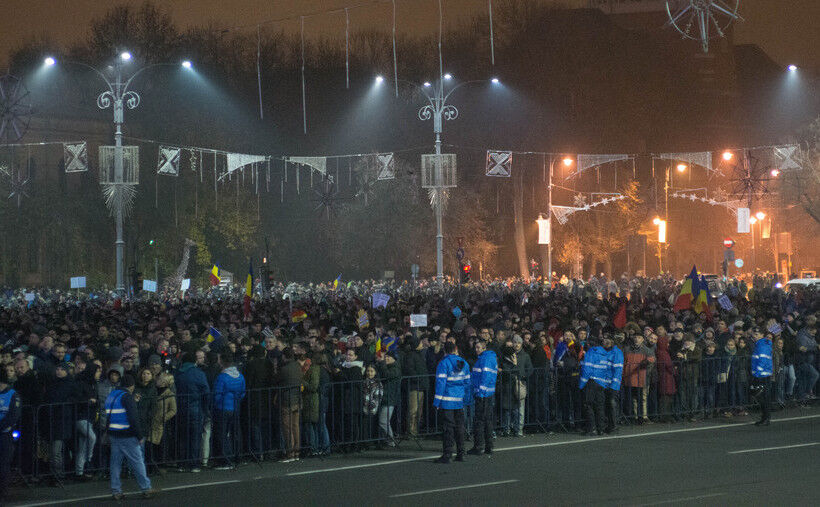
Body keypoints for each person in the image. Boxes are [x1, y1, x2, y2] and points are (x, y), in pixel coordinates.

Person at [104, 374, 154, 500]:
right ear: (131, 386)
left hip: (114, 434)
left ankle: (116, 491)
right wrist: (139, 435)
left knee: (115, 463)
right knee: (137, 462)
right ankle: (146, 488)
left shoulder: (111, 395)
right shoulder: (127, 397)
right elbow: (133, 418)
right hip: (128, 435)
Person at [433, 341, 471, 464]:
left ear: (444, 351)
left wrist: (437, 402)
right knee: (460, 427)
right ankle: (461, 453)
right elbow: (467, 383)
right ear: (455, 349)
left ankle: (447, 454)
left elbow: (441, 384)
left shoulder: (443, 363)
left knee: (448, 429)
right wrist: (466, 399)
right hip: (459, 401)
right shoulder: (463, 363)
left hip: (447, 402)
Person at [174, 353, 210, 472]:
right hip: (196, 408)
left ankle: (181, 463)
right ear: (194, 361)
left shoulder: (178, 373)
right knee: (194, 436)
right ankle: (194, 464)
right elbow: (206, 391)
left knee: (182, 436)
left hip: (180, 408)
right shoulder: (199, 374)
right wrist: (206, 409)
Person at [212, 351, 246, 469]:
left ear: (222, 362)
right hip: (235, 407)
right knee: (235, 433)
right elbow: (242, 392)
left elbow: (217, 394)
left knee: (222, 434)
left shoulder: (222, 377)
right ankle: (238, 457)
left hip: (223, 408)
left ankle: (226, 459)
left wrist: (215, 405)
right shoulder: (239, 376)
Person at [468, 338, 497, 456]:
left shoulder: (485, 359)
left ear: (484, 348)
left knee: (479, 421)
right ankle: (488, 446)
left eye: (478, 347)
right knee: (486, 421)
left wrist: (480, 392)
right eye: (475, 347)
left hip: (483, 395)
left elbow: (486, 377)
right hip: (486, 394)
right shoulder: (487, 358)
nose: (476, 350)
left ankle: (479, 446)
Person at [0, 367, 21, 503]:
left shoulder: (13, 394)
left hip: (4, 435)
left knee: (3, 465)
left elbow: (13, 415)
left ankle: (2, 493)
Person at [579, 337, 608, 436]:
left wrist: (581, 384)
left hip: (591, 382)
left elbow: (587, 370)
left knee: (589, 405)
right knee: (599, 406)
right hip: (601, 383)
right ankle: (601, 429)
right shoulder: (604, 354)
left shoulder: (590, 353)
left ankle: (592, 429)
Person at [750, 328, 773, 426]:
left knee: (763, 397)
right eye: (753, 334)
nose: (753, 336)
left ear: (761, 335)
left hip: (762, 375)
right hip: (762, 374)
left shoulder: (762, 345)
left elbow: (762, 360)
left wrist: (757, 372)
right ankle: (765, 417)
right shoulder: (761, 344)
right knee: (762, 397)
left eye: (756, 334)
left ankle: (766, 418)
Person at [602, 335, 623, 433]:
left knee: (612, 403)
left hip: (612, 384)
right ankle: (608, 425)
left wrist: (614, 385)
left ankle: (614, 426)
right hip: (603, 383)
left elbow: (618, 370)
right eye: (604, 339)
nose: (605, 341)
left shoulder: (617, 352)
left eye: (607, 339)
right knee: (606, 404)